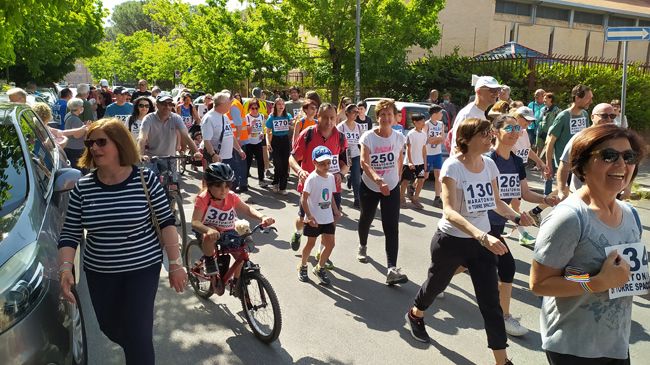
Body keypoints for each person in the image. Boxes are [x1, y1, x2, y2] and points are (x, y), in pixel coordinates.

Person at [58, 118, 186, 365]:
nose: (94, 148)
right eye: (90, 143)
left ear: (119, 143)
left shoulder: (145, 180)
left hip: (142, 269)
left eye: (101, 142)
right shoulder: (83, 188)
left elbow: (167, 222)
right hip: (100, 272)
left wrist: (175, 264)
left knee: (138, 336)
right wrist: (65, 268)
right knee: (111, 327)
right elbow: (70, 232)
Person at [405, 117, 531, 365]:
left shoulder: (489, 165)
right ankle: (416, 314)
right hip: (451, 240)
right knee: (435, 286)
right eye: (484, 134)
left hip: (482, 243)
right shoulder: (453, 166)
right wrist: (481, 235)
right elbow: (449, 211)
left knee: (490, 304)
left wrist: (516, 216)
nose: (489, 138)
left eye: (489, 133)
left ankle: (502, 361)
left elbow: (496, 201)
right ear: (466, 139)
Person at [529, 124, 646, 365]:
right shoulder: (569, 218)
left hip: (616, 343)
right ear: (582, 165)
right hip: (574, 348)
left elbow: (630, 279)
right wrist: (596, 283)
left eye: (629, 156)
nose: (621, 164)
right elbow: (540, 284)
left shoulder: (631, 214)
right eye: (609, 156)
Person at [487, 114, 559, 337]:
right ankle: (504, 318)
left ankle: (440, 280)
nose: (515, 131)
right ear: (495, 132)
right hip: (481, 221)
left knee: (462, 260)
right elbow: (493, 200)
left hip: (498, 222)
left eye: (517, 128)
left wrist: (545, 199)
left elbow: (525, 193)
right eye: (509, 127)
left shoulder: (518, 162)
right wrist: (516, 218)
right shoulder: (488, 160)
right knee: (507, 265)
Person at [289, 103, 349, 269]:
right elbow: (292, 157)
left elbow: (347, 162)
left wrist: (341, 174)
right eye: (326, 118)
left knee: (331, 220)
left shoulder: (341, 137)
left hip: (331, 187)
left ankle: (322, 251)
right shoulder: (307, 134)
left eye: (333, 118)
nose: (330, 121)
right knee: (303, 220)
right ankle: (298, 232)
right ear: (319, 117)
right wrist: (299, 170)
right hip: (310, 186)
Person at [191, 162, 274, 279]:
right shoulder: (203, 198)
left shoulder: (231, 196)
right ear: (209, 185)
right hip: (207, 230)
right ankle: (209, 259)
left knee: (240, 255)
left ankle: (237, 281)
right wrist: (208, 230)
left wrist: (262, 217)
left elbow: (247, 209)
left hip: (227, 230)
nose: (223, 191)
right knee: (211, 233)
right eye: (218, 186)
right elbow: (195, 222)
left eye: (227, 186)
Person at [357, 99, 407, 284]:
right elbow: (364, 163)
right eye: (383, 115)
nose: (386, 118)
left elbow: (399, 160)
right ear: (377, 117)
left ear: (395, 118)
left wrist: (398, 180)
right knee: (366, 218)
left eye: (390, 114)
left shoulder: (399, 137)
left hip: (391, 187)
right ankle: (362, 245)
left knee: (391, 226)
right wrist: (378, 180)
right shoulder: (368, 137)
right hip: (370, 186)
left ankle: (391, 269)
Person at [529, 84, 593, 226]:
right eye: (588, 98)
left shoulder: (584, 115)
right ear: (577, 98)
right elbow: (550, 141)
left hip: (580, 161)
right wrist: (549, 165)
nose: (591, 102)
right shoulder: (563, 116)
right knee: (568, 190)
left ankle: (537, 211)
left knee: (565, 190)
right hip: (565, 163)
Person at [556, 103, 624, 201]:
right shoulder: (581, 138)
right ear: (592, 117)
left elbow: (628, 163)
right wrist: (561, 191)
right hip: (582, 198)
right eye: (604, 116)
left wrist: (627, 186)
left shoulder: (617, 139)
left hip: (610, 198)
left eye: (612, 116)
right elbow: (564, 165)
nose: (609, 119)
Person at [297, 146, 341, 285]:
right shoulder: (312, 179)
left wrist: (335, 210)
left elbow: (331, 196)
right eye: (322, 163)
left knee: (331, 244)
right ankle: (303, 266)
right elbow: (304, 199)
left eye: (328, 163)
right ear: (314, 162)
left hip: (327, 218)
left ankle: (320, 268)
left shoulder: (331, 177)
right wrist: (309, 216)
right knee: (310, 243)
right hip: (314, 219)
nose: (326, 166)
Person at [511, 106, 549, 245]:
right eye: (526, 120)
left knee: (513, 203)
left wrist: (541, 163)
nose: (529, 123)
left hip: (519, 170)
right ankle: (523, 234)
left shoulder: (525, 133)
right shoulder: (511, 131)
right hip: (508, 171)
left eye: (531, 121)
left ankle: (514, 232)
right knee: (513, 203)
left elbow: (528, 150)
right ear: (518, 117)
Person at [139, 95, 202, 172]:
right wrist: (141, 154)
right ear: (157, 104)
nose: (167, 106)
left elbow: (186, 136)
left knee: (173, 183)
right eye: (164, 103)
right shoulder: (149, 118)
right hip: (151, 158)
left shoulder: (176, 118)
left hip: (169, 158)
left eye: (170, 104)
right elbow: (142, 137)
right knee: (148, 181)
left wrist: (196, 151)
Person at [201, 93, 245, 189]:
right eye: (228, 103)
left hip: (228, 157)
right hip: (217, 158)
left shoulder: (224, 116)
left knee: (235, 178)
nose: (230, 105)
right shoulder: (209, 118)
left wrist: (239, 149)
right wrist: (213, 154)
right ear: (221, 105)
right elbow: (206, 140)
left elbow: (230, 135)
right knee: (216, 185)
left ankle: (227, 201)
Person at [449, 76, 501, 153]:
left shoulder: (479, 113)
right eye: (492, 90)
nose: (497, 93)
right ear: (479, 92)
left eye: (498, 90)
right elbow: (459, 146)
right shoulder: (467, 115)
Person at [265, 98, 293, 195]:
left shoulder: (288, 116)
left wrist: (292, 124)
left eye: (283, 104)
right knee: (278, 164)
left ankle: (283, 187)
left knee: (285, 164)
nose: (281, 106)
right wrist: (268, 143)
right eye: (279, 104)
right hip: (276, 141)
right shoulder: (272, 117)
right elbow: (267, 132)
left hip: (285, 140)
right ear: (275, 106)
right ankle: (275, 182)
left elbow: (294, 127)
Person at [400, 113, 427, 210]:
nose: (424, 123)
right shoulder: (411, 134)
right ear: (415, 122)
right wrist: (410, 161)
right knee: (406, 180)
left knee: (421, 180)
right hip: (409, 163)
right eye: (422, 121)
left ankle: (415, 199)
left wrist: (425, 162)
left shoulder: (424, 134)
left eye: (424, 121)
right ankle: (402, 198)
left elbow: (424, 149)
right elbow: (408, 148)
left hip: (420, 162)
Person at [337, 103, 362, 208]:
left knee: (357, 177)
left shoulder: (358, 126)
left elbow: (360, 141)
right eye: (354, 112)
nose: (356, 114)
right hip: (344, 154)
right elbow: (337, 141)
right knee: (339, 175)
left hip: (355, 153)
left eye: (357, 112)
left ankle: (357, 198)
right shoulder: (341, 127)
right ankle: (336, 199)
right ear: (347, 113)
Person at [225, 90, 249, 193]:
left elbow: (238, 124)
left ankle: (242, 184)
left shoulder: (233, 106)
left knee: (240, 162)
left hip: (237, 139)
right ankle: (241, 182)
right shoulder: (233, 104)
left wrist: (238, 139)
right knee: (239, 161)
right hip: (236, 138)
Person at [423, 105, 445, 208]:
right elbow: (425, 139)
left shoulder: (441, 124)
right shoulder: (427, 124)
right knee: (425, 176)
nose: (442, 115)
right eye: (440, 113)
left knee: (438, 175)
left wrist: (436, 139)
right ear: (434, 114)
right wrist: (436, 138)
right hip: (427, 153)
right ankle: (413, 187)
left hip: (437, 153)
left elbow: (443, 139)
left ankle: (437, 197)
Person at [243, 100, 267, 188]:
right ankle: (245, 180)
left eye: (256, 108)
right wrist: (252, 125)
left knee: (260, 161)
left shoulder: (261, 116)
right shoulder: (247, 117)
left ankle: (261, 179)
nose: (254, 110)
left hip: (258, 142)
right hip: (249, 143)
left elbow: (261, 128)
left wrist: (262, 133)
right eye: (252, 108)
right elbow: (247, 132)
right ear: (249, 109)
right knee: (248, 162)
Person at [64, 98, 90, 173]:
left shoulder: (68, 115)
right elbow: (76, 135)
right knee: (78, 170)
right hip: (76, 149)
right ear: (78, 108)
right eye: (82, 106)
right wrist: (86, 127)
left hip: (69, 146)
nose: (82, 108)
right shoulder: (75, 119)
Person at [537, 92, 560, 160]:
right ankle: (537, 165)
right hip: (541, 131)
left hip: (550, 133)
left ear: (551, 99)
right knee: (539, 148)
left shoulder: (556, 110)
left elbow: (557, 121)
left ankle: (548, 164)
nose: (544, 100)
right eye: (544, 98)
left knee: (549, 149)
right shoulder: (542, 109)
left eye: (546, 98)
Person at [527, 88, 546, 155]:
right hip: (531, 127)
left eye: (537, 95)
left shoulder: (546, 105)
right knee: (528, 145)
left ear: (543, 96)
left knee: (539, 146)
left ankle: (538, 163)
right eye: (535, 95)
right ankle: (525, 161)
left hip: (541, 129)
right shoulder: (531, 104)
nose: (535, 96)